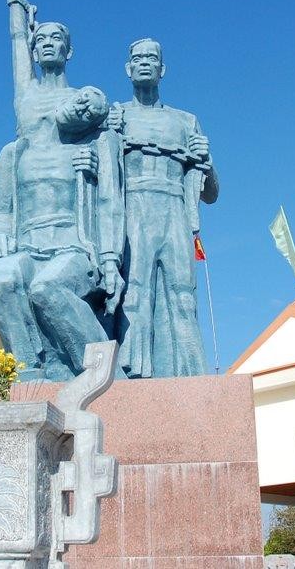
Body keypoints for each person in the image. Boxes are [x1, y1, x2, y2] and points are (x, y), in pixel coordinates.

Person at [0, 0, 124, 380]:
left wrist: (110, 259)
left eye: (55, 39)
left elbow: (111, 200)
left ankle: (102, 374)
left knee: (46, 289)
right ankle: (29, 375)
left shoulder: (89, 129)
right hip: (28, 243)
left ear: (69, 51)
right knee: (3, 277)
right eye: (40, 39)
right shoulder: (21, 123)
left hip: (73, 246)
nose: (46, 44)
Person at [109, 38, 218, 377]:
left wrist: (206, 161)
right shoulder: (116, 116)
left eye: (151, 58)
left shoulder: (186, 121)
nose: (144, 62)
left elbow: (211, 193)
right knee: (135, 293)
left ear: (162, 69)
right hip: (133, 209)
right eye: (138, 58)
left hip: (174, 210)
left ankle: (193, 375)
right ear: (128, 69)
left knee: (184, 295)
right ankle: (135, 374)